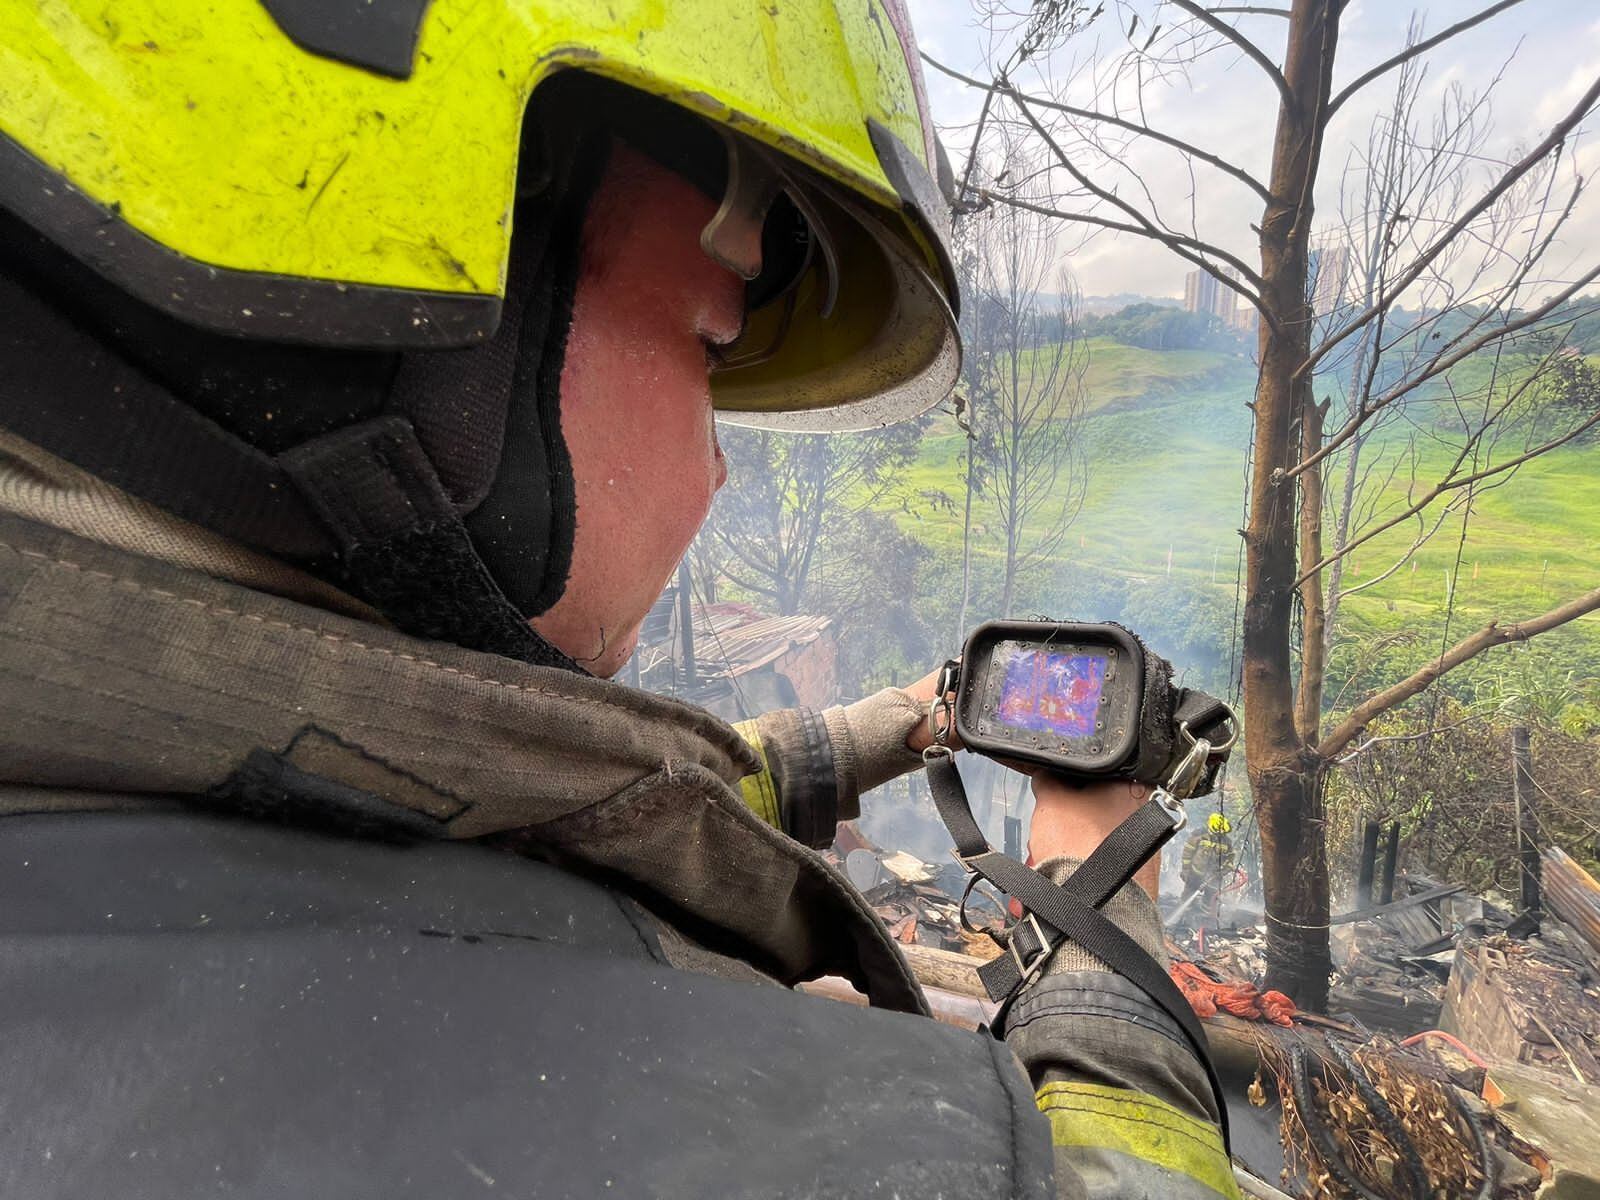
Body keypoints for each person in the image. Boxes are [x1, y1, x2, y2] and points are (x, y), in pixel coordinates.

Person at [0, 4, 1236, 1197]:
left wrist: (894, 726)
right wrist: (1098, 935)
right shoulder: (686, 1125)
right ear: (420, 319)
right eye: (711, 340)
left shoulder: (157, 756)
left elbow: (565, 802)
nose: (718, 463)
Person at [1183, 813, 1239, 914]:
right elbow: (1187, 854)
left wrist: (1223, 871)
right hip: (1195, 873)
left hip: (1214, 876)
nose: (1220, 835)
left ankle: (1206, 920)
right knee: (1187, 897)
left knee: (1211, 900)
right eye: (1219, 833)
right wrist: (1186, 870)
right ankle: (1182, 920)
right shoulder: (1198, 836)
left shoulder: (1226, 842)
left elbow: (1230, 859)